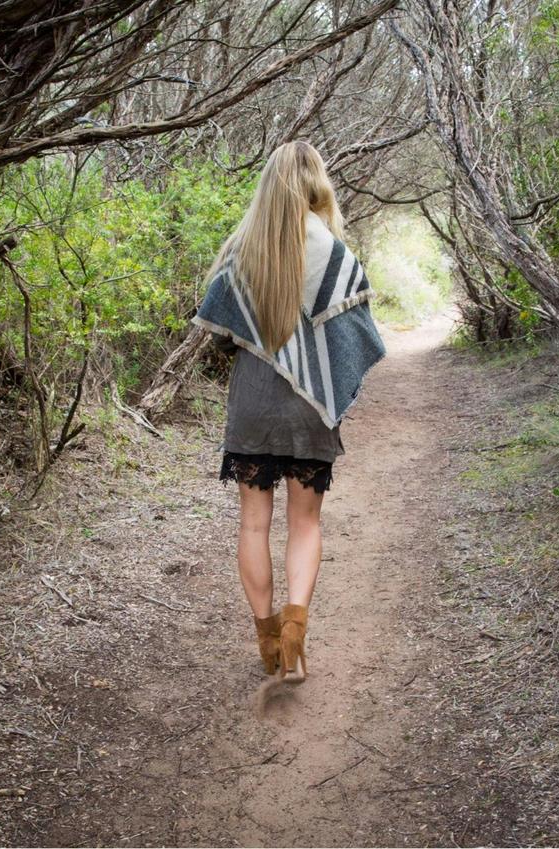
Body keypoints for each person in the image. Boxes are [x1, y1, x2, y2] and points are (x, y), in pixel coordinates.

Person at [192, 141, 386, 684]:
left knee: (253, 524)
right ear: (316, 185)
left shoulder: (242, 251)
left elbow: (221, 336)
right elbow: (353, 340)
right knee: (305, 523)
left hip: (253, 403)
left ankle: (268, 641)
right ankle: (296, 637)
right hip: (311, 408)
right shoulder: (337, 257)